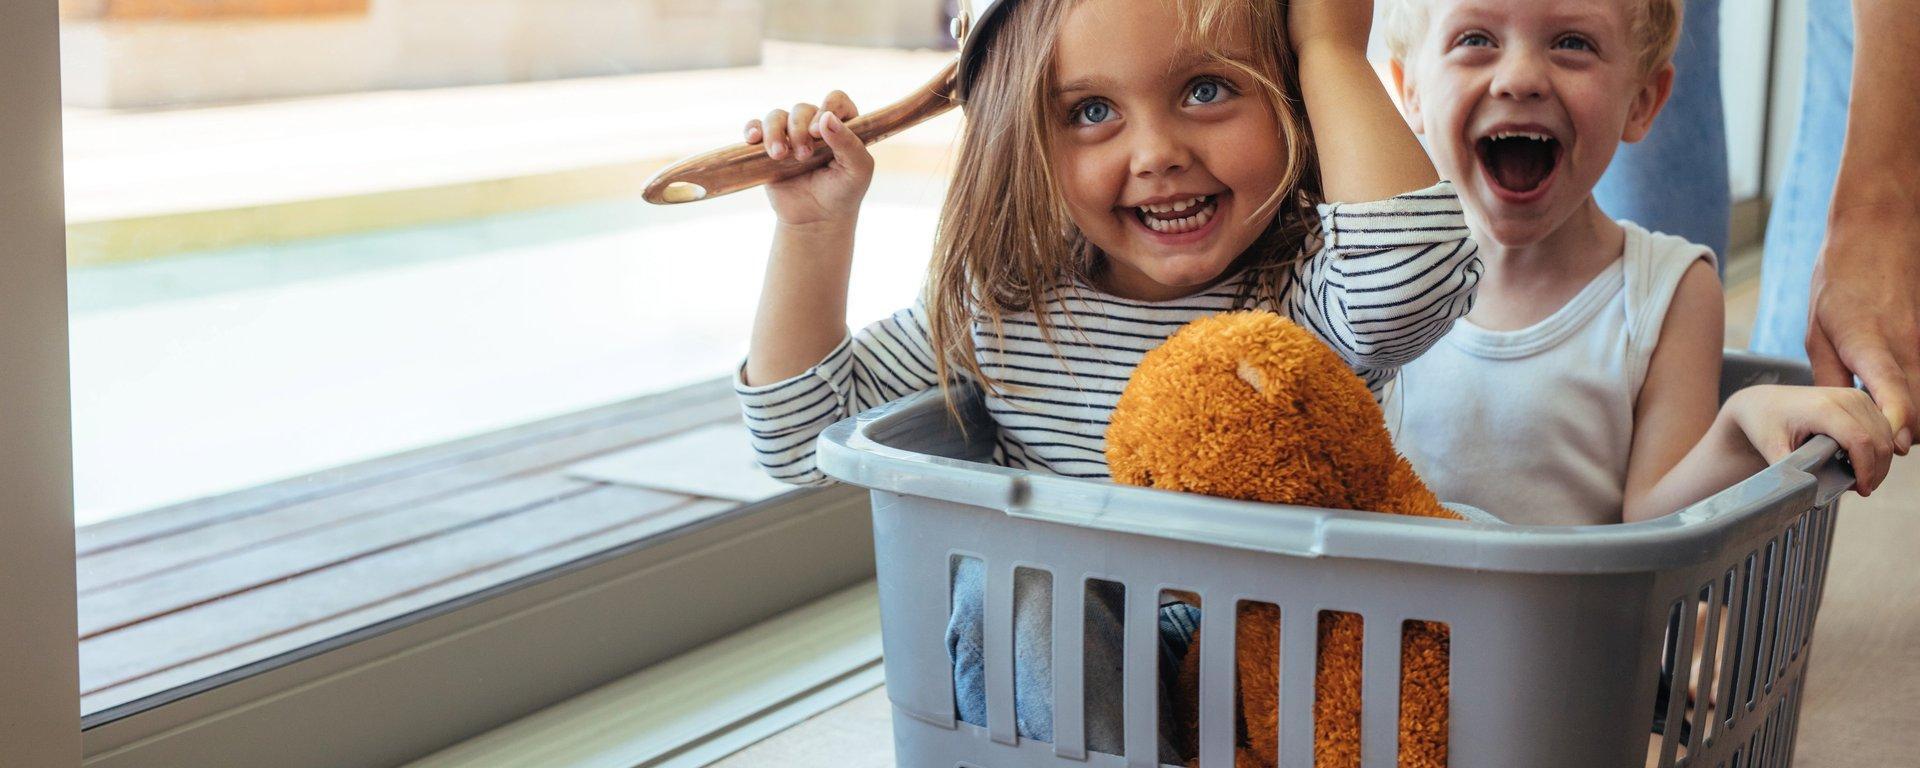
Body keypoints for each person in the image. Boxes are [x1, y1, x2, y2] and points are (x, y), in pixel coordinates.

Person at [735, 0, 1479, 756]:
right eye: (1092, 110)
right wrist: (813, 229)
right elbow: (798, 438)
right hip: (1058, 697)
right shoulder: (1002, 304)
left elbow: (1414, 277)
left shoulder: (1307, 291)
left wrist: (1329, 46)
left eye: (1206, 90)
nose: (1157, 152)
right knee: (1025, 591)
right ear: (1023, 140)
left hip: (1267, 690)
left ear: (1290, 99)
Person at [1377, 0, 1896, 526]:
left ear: (1642, 102)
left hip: (1578, 613)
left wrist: (1738, 427)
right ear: (1410, 91)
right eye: (1475, 40)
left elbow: (1655, 525)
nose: (1520, 78)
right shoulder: (1369, 274)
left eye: (1572, 43)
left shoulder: (1668, 291)